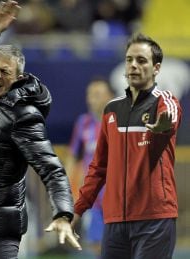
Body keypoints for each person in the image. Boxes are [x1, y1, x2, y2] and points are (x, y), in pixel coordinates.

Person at [0, 1, 81, 258]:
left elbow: (51, 168)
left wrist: (63, 212)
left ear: (18, 78)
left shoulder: (23, 117)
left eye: (5, 72)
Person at [72, 32, 182, 259]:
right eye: (129, 59)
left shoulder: (165, 101)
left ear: (156, 68)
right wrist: (77, 210)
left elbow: (169, 118)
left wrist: (163, 128)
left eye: (141, 61)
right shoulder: (111, 110)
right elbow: (98, 168)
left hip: (154, 219)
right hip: (114, 221)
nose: (134, 65)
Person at [67, 78, 114, 258]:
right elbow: (73, 157)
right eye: (89, 94)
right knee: (96, 244)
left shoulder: (119, 121)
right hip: (93, 198)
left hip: (117, 197)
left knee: (118, 243)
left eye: (97, 94)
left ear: (110, 96)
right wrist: (67, 188)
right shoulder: (83, 123)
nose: (91, 98)